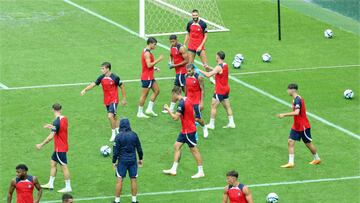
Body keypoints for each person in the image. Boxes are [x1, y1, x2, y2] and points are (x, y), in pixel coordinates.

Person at [162, 86, 205, 179]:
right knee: (176, 146)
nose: (172, 97)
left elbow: (175, 118)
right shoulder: (187, 99)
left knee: (194, 151)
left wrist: (168, 109)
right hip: (185, 130)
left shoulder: (181, 104)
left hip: (188, 131)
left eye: (172, 95)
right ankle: (174, 169)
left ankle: (201, 171)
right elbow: (193, 113)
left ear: (175, 94)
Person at [277, 83, 321, 168]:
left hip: (303, 126)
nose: (287, 91)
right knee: (290, 141)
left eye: (288, 90)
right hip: (296, 125)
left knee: (308, 144)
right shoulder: (295, 99)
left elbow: (297, 112)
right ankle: (291, 163)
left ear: (292, 90)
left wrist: (284, 114)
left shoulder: (298, 100)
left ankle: (317, 158)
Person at [80, 62, 127, 142]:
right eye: (101, 68)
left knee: (110, 116)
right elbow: (93, 84)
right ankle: (119, 130)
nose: (101, 70)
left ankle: (114, 134)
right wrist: (85, 89)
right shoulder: (101, 77)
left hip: (114, 100)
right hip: (107, 100)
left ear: (108, 69)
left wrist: (124, 98)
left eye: (103, 68)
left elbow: (122, 86)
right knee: (114, 116)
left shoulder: (115, 77)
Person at [36, 103, 72, 193]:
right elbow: (60, 129)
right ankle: (50, 183)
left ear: (52, 109)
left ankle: (68, 187)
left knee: (64, 167)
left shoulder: (56, 121)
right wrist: (51, 127)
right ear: (60, 109)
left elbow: (50, 137)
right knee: (53, 163)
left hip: (60, 148)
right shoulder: (64, 118)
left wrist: (41, 144)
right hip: (61, 147)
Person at [199, 51, 235, 129]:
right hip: (226, 89)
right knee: (227, 106)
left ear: (218, 57)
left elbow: (208, 75)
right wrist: (210, 68)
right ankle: (232, 123)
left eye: (216, 56)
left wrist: (198, 70)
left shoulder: (218, 67)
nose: (215, 57)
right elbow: (218, 71)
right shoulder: (225, 65)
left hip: (220, 90)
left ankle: (212, 124)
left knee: (213, 106)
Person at [112, 118, 143, 203]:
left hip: (122, 161)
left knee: (119, 180)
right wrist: (140, 159)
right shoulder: (134, 135)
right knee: (133, 179)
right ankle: (134, 200)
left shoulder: (118, 136)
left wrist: (114, 162)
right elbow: (139, 149)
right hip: (133, 160)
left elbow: (115, 151)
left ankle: (117, 201)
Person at [184, 9, 214, 84]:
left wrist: (201, 46)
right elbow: (188, 34)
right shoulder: (190, 23)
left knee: (205, 65)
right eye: (193, 15)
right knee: (190, 65)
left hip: (200, 47)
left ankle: (211, 77)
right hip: (191, 47)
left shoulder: (203, 24)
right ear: (192, 16)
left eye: (196, 15)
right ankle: (191, 78)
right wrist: (184, 43)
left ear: (198, 15)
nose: (195, 17)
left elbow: (206, 36)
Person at [137, 37, 163, 118]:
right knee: (144, 95)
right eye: (154, 44)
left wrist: (154, 68)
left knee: (157, 91)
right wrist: (159, 59)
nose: (155, 46)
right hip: (147, 77)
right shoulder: (147, 53)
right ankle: (139, 112)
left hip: (150, 76)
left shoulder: (146, 51)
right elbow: (148, 65)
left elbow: (146, 64)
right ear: (150, 43)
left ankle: (149, 109)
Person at [162, 34, 188, 113]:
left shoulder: (181, 48)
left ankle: (175, 107)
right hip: (178, 72)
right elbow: (171, 55)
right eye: (171, 42)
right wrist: (170, 61)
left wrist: (174, 65)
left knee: (176, 90)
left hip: (182, 72)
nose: (172, 43)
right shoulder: (172, 47)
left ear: (177, 40)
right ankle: (189, 104)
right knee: (183, 90)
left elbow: (186, 60)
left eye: (173, 41)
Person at [185, 63, 208, 138]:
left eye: (189, 71)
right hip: (189, 100)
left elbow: (203, 90)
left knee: (198, 118)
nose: (188, 72)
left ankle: (204, 127)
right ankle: (194, 133)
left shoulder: (199, 77)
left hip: (196, 100)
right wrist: (185, 98)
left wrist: (201, 102)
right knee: (189, 117)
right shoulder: (186, 76)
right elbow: (186, 88)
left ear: (193, 70)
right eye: (187, 71)